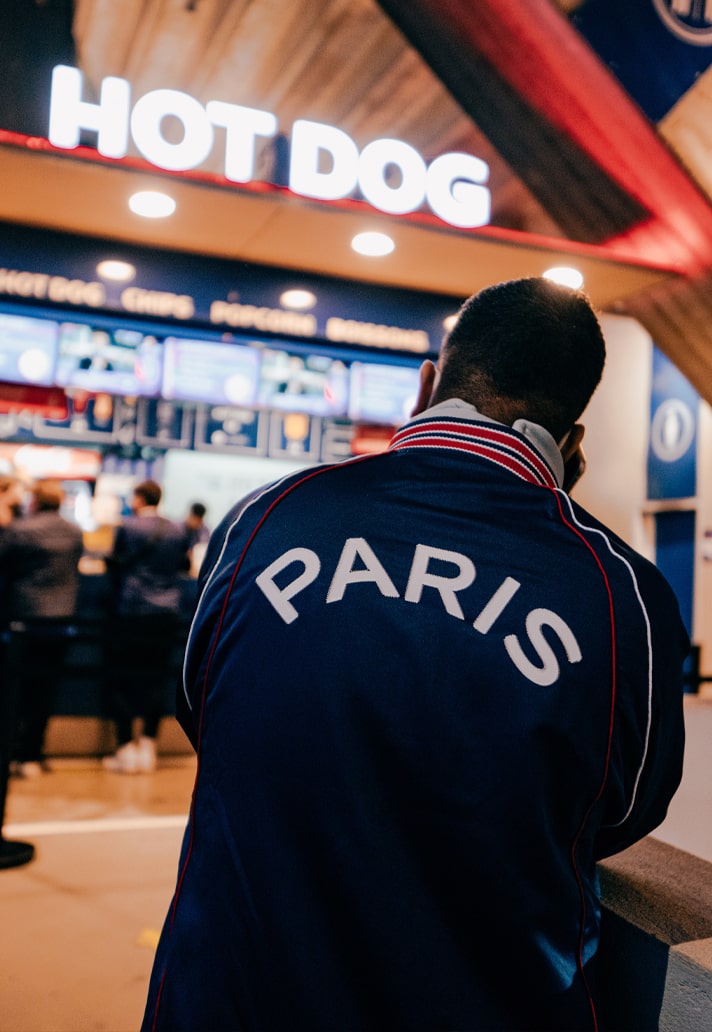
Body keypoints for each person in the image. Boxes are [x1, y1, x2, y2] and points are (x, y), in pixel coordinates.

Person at [142, 278, 687, 1032]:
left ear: (426, 384)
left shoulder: (267, 517)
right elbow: (623, 810)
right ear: (573, 441)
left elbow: (203, 708)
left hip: (227, 999)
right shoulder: (623, 591)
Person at [102, 479, 190, 775]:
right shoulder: (177, 529)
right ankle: (149, 746)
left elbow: (114, 564)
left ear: (140, 499)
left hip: (132, 610)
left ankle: (126, 747)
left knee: (123, 678)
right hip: (166, 612)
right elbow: (183, 565)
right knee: (156, 679)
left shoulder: (127, 527)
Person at [0, 479, 83, 777]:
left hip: (24, 621)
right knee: (46, 690)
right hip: (61, 622)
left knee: (16, 690)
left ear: (34, 502)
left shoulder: (20, 530)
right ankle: (33, 753)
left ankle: (10, 753)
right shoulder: (74, 532)